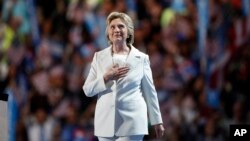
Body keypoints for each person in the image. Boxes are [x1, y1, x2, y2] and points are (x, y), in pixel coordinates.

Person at [83, 11, 165, 141]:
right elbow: (87, 90)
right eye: (113, 27)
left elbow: (150, 92)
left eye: (121, 26)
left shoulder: (142, 58)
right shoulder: (98, 57)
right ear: (108, 33)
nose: (117, 30)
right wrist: (106, 77)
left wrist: (157, 120)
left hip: (133, 122)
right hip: (105, 123)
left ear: (129, 31)